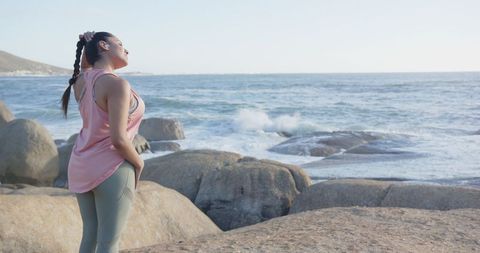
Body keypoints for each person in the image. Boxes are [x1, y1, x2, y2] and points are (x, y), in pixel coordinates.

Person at [60, 31, 145, 253]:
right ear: (104, 46)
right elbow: (118, 139)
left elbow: (87, 67)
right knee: (109, 242)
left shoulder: (81, 81)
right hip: (111, 167)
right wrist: (139, 162)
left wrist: (88, 48)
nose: (126, 49)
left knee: (90, 237)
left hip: (81, 165)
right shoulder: (117, 84)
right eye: (120, 43)